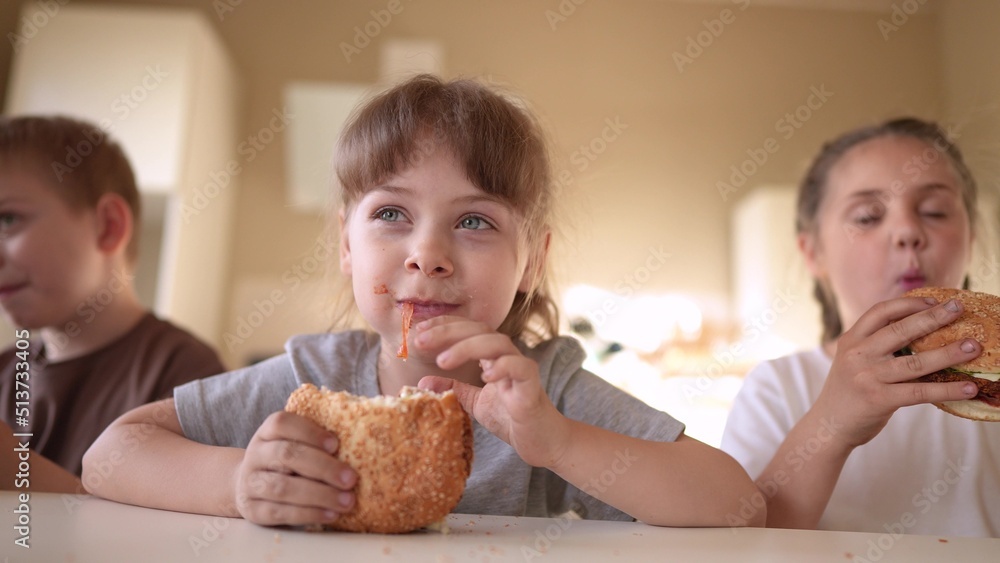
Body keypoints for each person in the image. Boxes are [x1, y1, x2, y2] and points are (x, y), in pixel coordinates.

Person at [83, 74, 762, 528]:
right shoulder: (308, 379)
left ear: (533, 262)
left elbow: (738, 505)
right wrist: (238, 484)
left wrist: (558, 441)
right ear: (347, 247)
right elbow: (109, 455)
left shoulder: (546, 392)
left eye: (475, 222)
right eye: (391, 215)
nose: (427, 253)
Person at [720, 117, 1000, 537]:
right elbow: (739, 544)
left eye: (934, 211)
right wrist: (831, 426)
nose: (907, 231)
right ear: (813, 252)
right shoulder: (777, 388)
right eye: (868, 217)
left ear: (971, 236)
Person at [0, 116, 226, 489]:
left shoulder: (186, 373)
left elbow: (177, 533)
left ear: (108, 226)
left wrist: (20, 476)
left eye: (8, 219)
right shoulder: (6, 370)